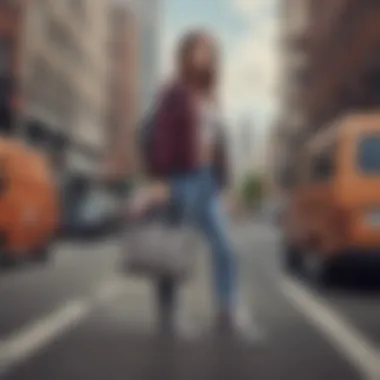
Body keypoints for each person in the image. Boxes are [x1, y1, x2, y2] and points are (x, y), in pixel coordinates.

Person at [145, 30, 261, 340]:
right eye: (200, 49)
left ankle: (227, 312)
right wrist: (160, 179)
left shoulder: (211, 94)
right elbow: (163, 135)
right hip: (182, 178)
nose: (205, 55)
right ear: (186, 54)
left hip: (208, 180)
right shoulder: (174, 92)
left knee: (225, 247)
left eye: (210, 51)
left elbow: (220, 141)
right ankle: (169, 316)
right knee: (174, 250)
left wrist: (227, 187)